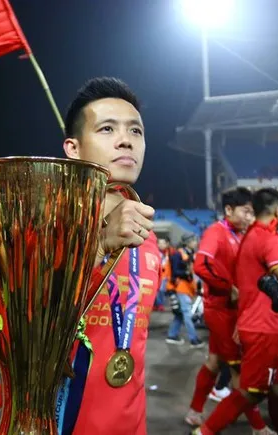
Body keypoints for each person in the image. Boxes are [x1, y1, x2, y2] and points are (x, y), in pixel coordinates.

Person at [60, 77, 158, 435]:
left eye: (135, 131)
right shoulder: (46, 226)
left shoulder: (147, 236)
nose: (125, 140)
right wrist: (99, 245)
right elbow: (19, 334)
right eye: (107, 129)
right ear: (73, 147)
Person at [194, 188, 278, 434]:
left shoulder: (250, 236)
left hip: (261, 322)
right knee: (250, 390)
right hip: (259, 325)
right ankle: (204, 431)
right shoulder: (265, 239)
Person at [165, 234, 205, 348]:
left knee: (180, 314)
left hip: (187, 288)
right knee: (187, 313)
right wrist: (186, 273)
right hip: (180, 287)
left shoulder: (190, 254)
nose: (195, 243)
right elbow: (175, 272)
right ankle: (193, 339)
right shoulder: (178, 254)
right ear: (187, 242)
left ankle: (172, 335)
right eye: (193, 241)